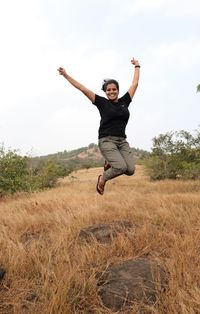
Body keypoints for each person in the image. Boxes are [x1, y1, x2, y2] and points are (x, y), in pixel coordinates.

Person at [57, 57, 140, 195]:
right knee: (120, 167)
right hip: (106, 140)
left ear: (118, 90)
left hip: (122, 141)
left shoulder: (125, 101)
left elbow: (135, 83)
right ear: (105, 92)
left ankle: (108, 162)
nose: (111, 91)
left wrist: (137, 66)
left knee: (130, 170)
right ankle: (103, 178)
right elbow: (82, 88)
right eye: (108, 90)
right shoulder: (102, 102)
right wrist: (66, 75)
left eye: (114, 89)